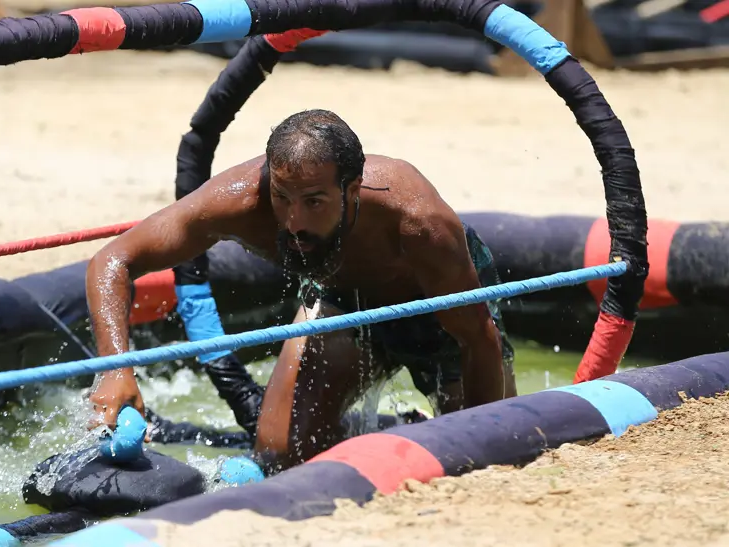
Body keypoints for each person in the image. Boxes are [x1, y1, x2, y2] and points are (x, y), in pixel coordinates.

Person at [85, 109, 516, 473]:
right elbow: (113, 261)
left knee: (488, 450)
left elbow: (477, 339)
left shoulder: (418, 222)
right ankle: (392, 433)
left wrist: (483, 454)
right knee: (278, 457)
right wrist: (116, 369)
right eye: (282, 196)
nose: (293, 222)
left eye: (314, 201)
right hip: (339, 302)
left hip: (437, 312)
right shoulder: (238, 203)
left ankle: (410, 432)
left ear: (352, 190)